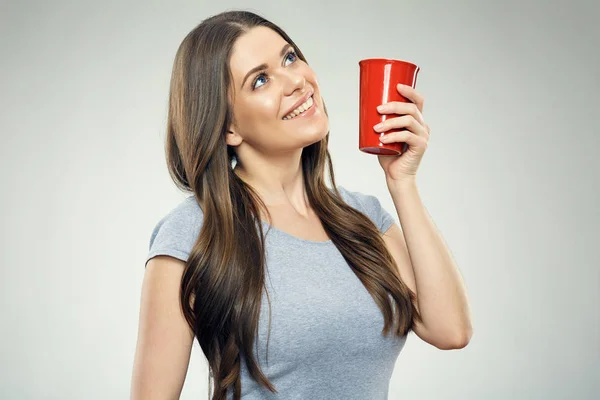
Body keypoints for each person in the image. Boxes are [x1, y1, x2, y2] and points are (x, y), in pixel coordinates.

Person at [130, 9, 472, 400]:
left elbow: (450, 330)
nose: (295, 81)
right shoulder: (192, 232)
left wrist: (402, 181)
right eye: (260, 80)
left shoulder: (363, 218)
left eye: (290, 57)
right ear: (228, 127)